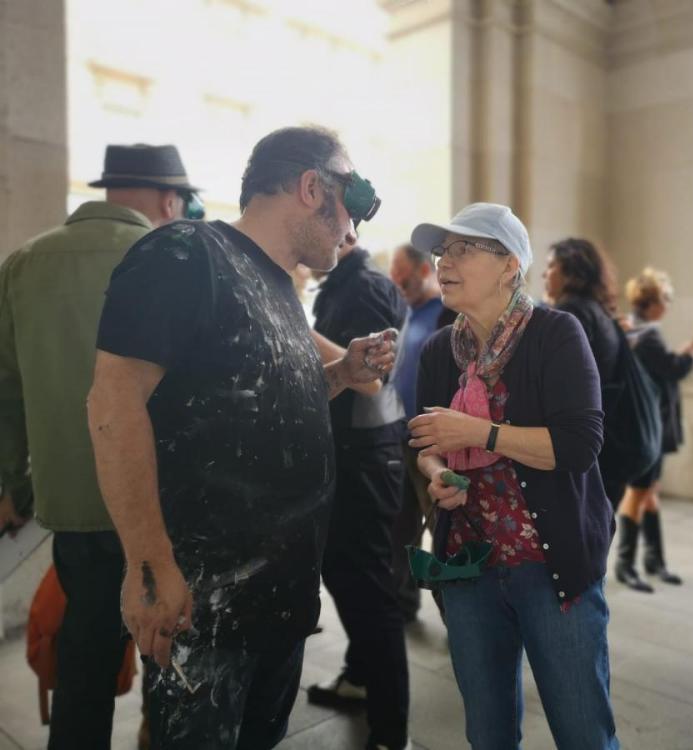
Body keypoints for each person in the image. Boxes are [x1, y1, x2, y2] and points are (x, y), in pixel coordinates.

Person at [86, 126, 395, 749]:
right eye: (353, 203)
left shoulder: (278, 284)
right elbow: (113, 401)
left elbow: (255, 397)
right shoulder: (185, 254)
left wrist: (339, 374)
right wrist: (149, 566)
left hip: (275, 605)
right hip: (207, 607)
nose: (353, 231)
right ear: (313, 188)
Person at [0, 143, 199, 749]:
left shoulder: (24, 262)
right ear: (169, 201)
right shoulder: (178, 260)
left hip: (74, 507)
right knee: (173, 659)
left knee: (83, 665)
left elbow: (5, 388)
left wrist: (14, 484)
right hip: (163, 505)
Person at [407, 203, 619, 749]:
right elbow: (426, 443)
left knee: (582, 731)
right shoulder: (439, 349)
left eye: (463, 249)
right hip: (469, 569)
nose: (444, 262)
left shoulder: (555, 334)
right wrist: (436, 474)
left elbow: (578, 446)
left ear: (510, 265)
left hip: (552, 569)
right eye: (441, 251)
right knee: (487, 731)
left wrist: (479, 433)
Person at [306, 232, 411, 750]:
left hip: (368, 455)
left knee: (368, 588)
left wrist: (295, 326)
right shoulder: (338, 285)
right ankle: (358, 677)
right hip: (351, 451)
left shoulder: (366, 286)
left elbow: (369, 380)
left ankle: (391, 732)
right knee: (346, 576)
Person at [617, 268, 693, 590]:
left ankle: (654, 561)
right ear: (652, 302)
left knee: (650, 492)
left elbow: (665, 362)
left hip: (648, 421)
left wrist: (689, 346)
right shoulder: (646, 334)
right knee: (638, 492)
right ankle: (625, 564)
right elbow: (673, 368)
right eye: (666, 298)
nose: (669, 304)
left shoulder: (638, 330)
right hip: (650, 423)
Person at [387, 242, 456, 623]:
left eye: (405, 276)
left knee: (443, 531)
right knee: (401, 528)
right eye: (395, 276)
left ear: (425, 271)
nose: (398, 282)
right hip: (403, 439)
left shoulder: (445, 313)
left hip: (435, 444)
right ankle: (404, 603)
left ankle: (458, 614)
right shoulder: (408, 313)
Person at [542, 238, 629, 510]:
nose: (545, 274)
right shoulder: (598, 309)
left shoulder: (570, 312)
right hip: (608, 441)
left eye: (551, 266)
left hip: (581, 447)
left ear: (571, 271)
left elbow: (555, 385)